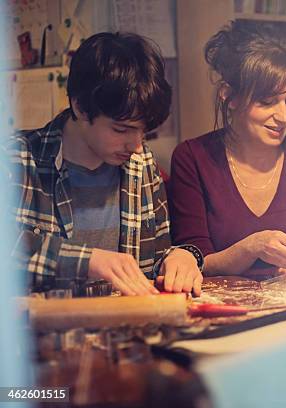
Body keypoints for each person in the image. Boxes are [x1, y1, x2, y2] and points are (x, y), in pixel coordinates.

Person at [7, 32, 204, 296]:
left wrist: (182, 258)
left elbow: (154, 262)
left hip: (125, 331)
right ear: (80, 107)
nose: (135, 145)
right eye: (121, 130)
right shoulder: (18, 159)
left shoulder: (141, 163)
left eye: (144, 131)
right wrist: (86, 260)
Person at [169, 21, 286, 275]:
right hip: (227, 308)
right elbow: (194, 261)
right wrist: (252, 247)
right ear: (229, 96)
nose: (284, 116)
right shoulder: (193, 158)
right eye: (267, 102)